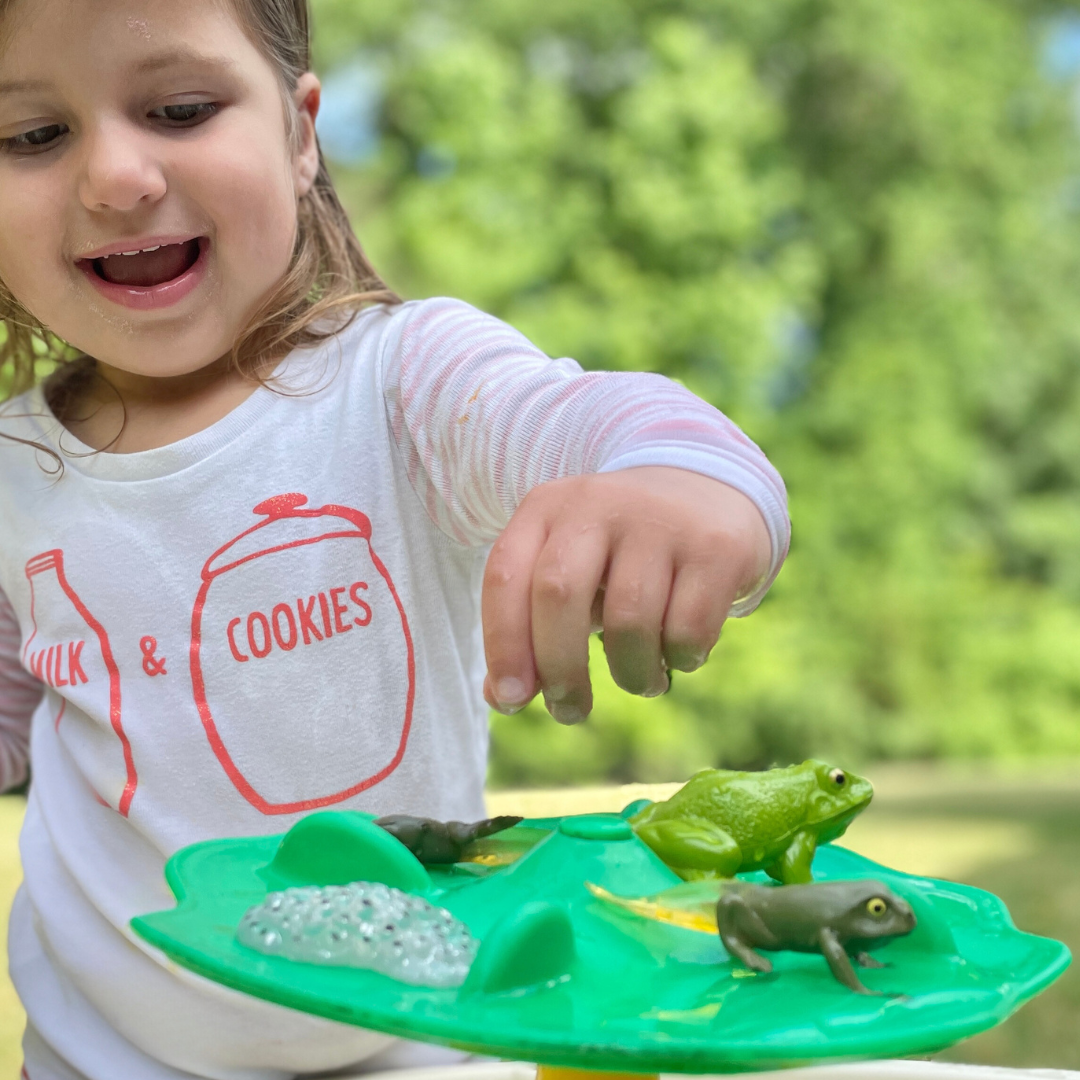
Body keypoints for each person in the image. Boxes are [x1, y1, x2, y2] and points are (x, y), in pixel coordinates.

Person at [0, 1, 790, 1078]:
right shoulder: (11, 469)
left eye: (180, 108)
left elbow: (599, 424)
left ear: (298, 130)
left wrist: (678, 484)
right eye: (32, 136)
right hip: (107, 1057)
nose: (117, 177)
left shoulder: (403, 381)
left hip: (429, 1035)